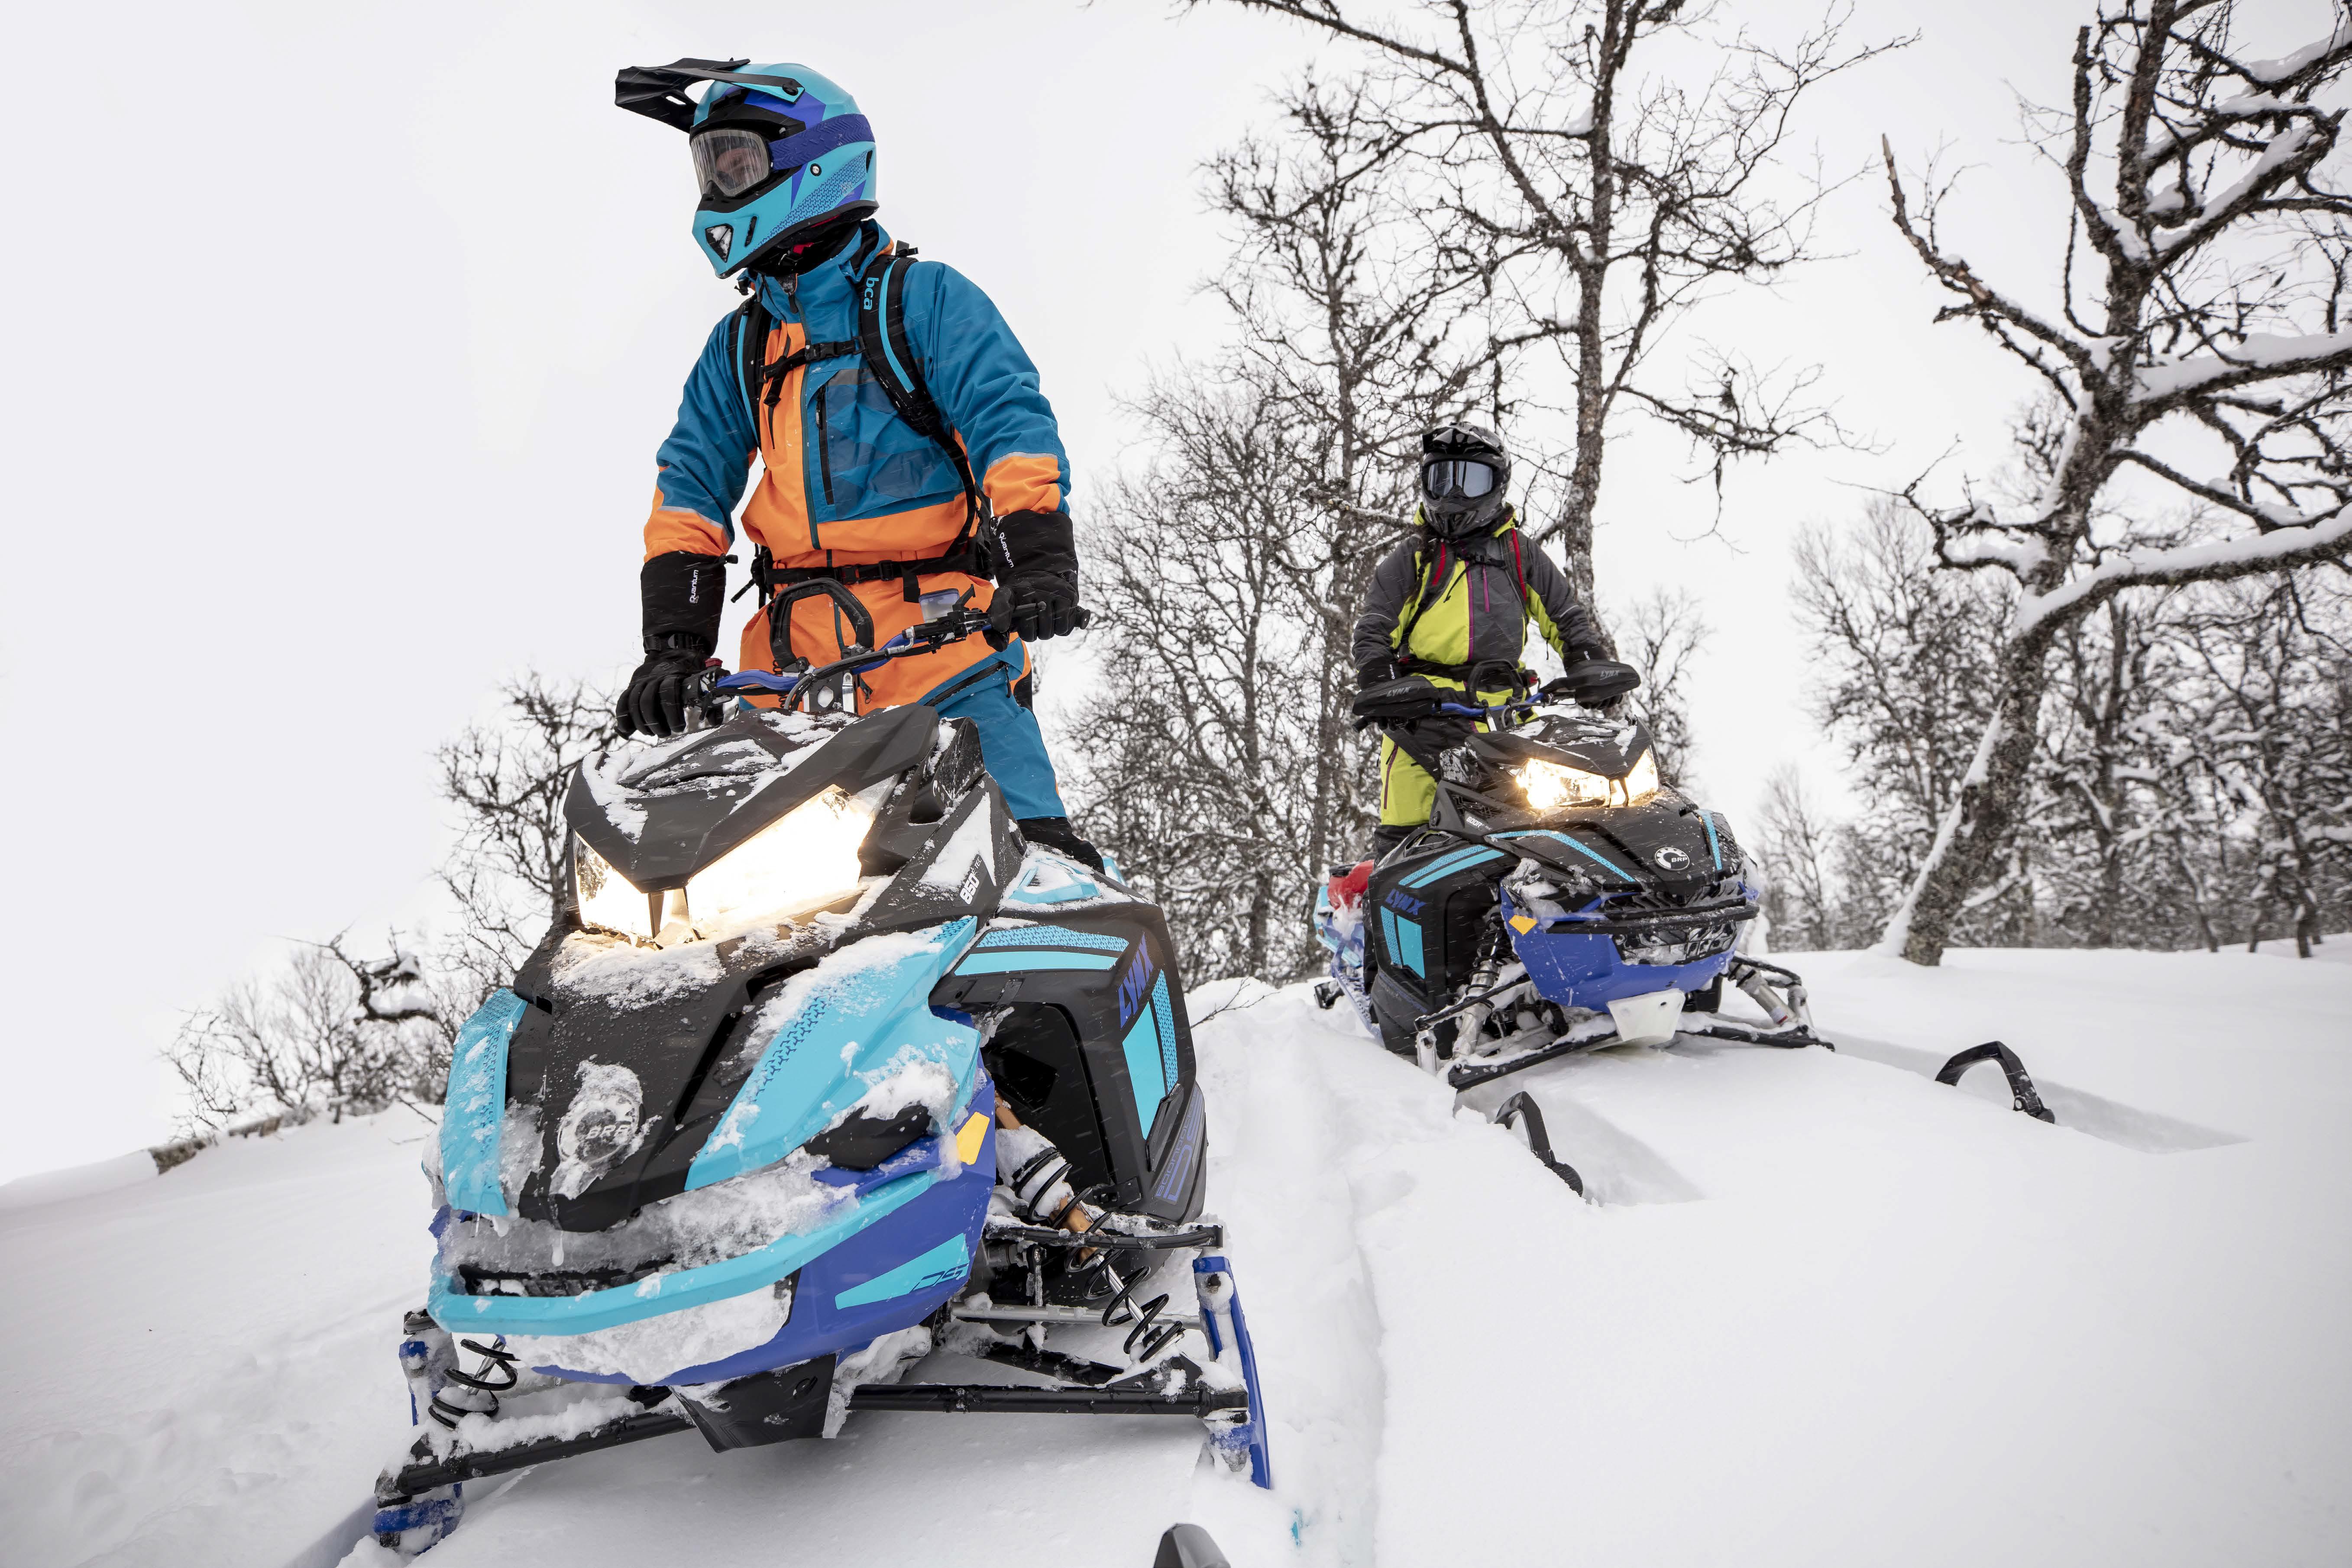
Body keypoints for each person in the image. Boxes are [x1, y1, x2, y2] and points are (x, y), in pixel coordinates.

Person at [610, 58, 1101, 870]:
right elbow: (690, 490)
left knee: (1039, 869)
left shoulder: (927, 302)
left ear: (815, 160)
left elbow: (1009, 428)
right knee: (724, 916)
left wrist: (1040, 566)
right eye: (716, 170)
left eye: (740, 163)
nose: (724, 185)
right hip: (788, 698)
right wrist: (673, 646)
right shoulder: (741, 346)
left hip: (947, 663)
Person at [1350, 424, 1612, 859]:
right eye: (1442, 478)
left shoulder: (1517, 552)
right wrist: (1378, 676)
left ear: (1497, 483)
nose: (1452, 494)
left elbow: (1563, 612)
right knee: (1405, 839)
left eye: (1468, 480)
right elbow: (1375, 624)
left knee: (1533, 829)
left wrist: (1586, 659)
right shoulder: (1414, 555)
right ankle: (1383, 920)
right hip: (1418, 715)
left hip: (1504, 715)